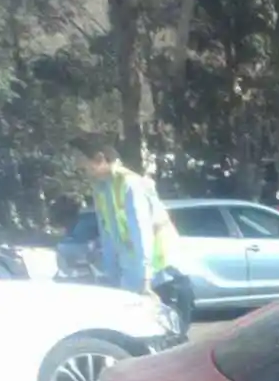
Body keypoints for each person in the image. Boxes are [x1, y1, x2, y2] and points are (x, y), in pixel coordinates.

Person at [72, 134, 191, 334]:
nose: (78, 167)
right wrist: (111, 276)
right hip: (135, 276)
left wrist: (145, 280)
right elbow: (108, 235)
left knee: (170, 344)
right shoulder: (101, 188)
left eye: (82, 161)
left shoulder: (130, 184)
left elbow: (142, 231)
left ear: (100, 158)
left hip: (161, 275)